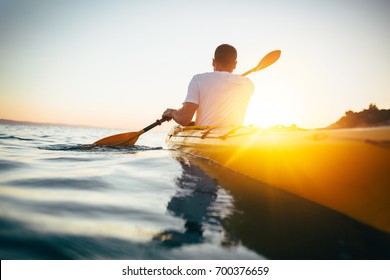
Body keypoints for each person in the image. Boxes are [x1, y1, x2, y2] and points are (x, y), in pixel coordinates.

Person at [162, 44, 255, 127]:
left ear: (213, 62)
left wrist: (171, 112)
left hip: (204, 138)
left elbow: (184, 119)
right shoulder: (248, 84)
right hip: (234, 139)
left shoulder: (198, 79)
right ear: (235, 64)